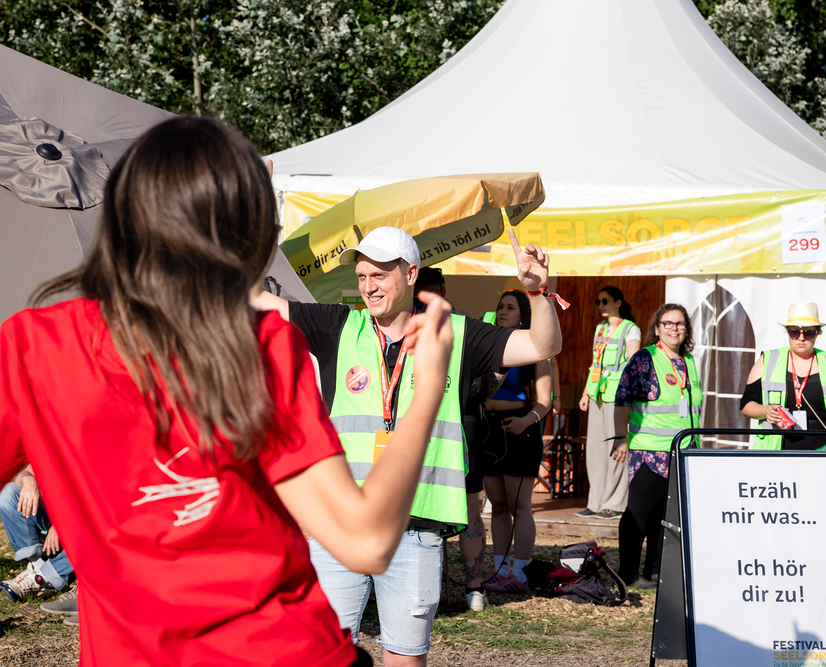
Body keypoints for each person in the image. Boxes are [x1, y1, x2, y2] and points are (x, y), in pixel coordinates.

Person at [0, 116, 459, 666]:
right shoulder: (262, 345)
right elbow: (366, 543)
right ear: (246, 232)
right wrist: (427, 389)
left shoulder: (35, 348)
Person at [251, 227, 562, 667]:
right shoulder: (340, 324)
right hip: (340, 525)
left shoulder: (455, 333)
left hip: (416, 527)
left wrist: (537, 293)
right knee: (322, 654)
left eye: (379, 275)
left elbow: (542, 345)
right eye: (362, 276)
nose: (368, 287)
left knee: (404, 657)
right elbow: (254, 302)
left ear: (411, 273)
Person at [413, 267, 490, 612]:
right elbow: (487, 383)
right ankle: (475, 589)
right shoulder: (464, 325)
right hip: (465, 423)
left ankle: (425, 581)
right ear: (444, 289)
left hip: (418, 424)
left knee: (420, 505)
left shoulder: (406, 324)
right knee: (470, 507)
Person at [610, 304, 702, 587]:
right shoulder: (645, 358)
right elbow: (623, 399)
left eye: (680, 323)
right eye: (668, 323)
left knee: (666, 515)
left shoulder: (689, 361)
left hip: (683, 452)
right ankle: (627, 573)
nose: (674, 328)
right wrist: (620, 438)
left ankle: (654, 572)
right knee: (639, 514)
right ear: (657, 328)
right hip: (650, 452)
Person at [479, 290, 552, 592]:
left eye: (510, 307)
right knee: (497, 505)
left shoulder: (535, 350)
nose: (503, 311)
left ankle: (520, 572)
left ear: (523, 315)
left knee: (519, 505)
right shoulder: (488, 347)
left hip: (521, 430)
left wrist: (526, 421)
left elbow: (545, 401)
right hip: (489, 430)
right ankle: (499, 569)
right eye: (500, 306)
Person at [740, 303, 826, 454]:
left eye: (808, 332)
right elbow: (746, 405)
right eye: (794, 331)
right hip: (777, 453)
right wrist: (765, 410)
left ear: (817, 333)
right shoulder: (767, 361)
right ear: (788, 332)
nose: (801, 337)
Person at [578, 286, 641, 519]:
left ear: (618, 302)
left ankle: (615, 503)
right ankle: (595, 502)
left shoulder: (630, 329)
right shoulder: (600, 328)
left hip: (618, 396)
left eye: (605, 301)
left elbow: (633, 366)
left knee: (616, 447)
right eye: (598, 301)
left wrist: (628, 395)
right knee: (595, 449)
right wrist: (586, 393)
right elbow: (595, 363)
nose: (601, 305)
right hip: (598, 394)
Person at [0, 465, 74, 600]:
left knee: (95, 532)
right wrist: (28, 479)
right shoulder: (55, 451)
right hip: (48, 520)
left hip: (80, 523)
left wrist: (61, 522)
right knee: (8, 493)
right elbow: (25, 473)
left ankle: (42, 578)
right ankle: (37, 565)